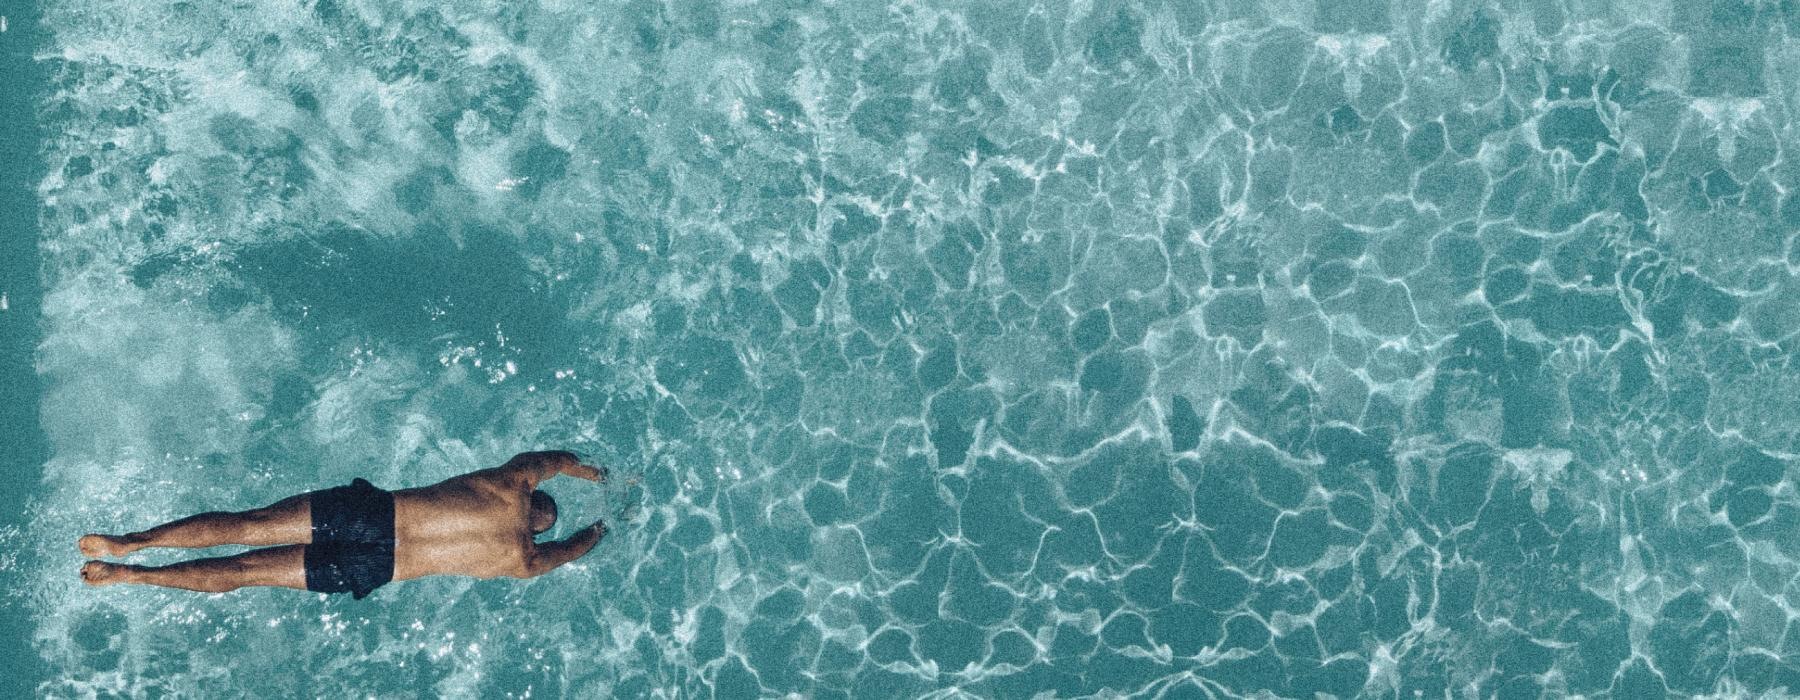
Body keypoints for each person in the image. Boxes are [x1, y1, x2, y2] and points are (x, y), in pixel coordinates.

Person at [76, 450, 607, 599]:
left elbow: (555, 459)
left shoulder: (510, 483)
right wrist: (606, 528)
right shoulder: (523, 562)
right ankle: (131, 576)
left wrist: (598, 474)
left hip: (377, 513)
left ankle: (131, 542)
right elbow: (575, 549)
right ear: (540, 531)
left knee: (248, 524)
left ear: (535, 500)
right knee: (245, 570)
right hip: (382, 566)